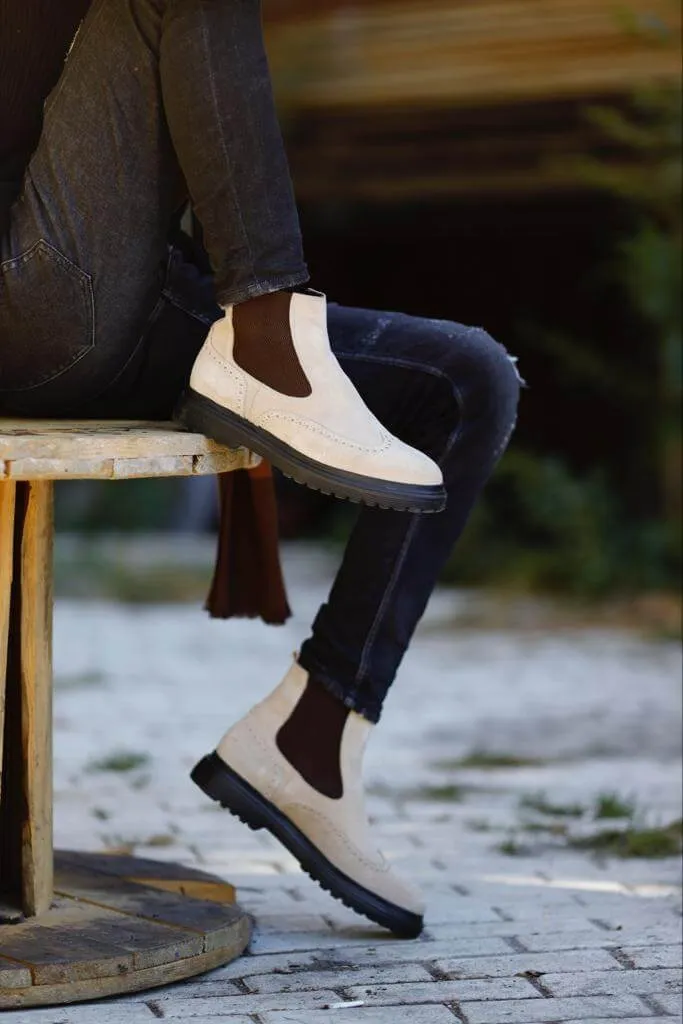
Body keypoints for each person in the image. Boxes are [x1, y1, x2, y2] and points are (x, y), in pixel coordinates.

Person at [0, 0, 521, 938]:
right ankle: (269, 335)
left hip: (135, 301)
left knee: (465, 381)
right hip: (27, 300)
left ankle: (315, 737)